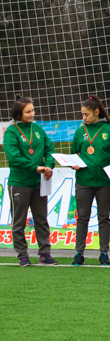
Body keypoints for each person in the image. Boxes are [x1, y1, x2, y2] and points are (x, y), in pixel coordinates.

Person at [3, 96, 57, 266]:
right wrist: (35, 167)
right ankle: (22, 255)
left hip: (39, 182)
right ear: (18, 113)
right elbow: (14, 157)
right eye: (28, 112)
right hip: (19, 182)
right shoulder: (11, 132)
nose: (32, 114)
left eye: (33, 110)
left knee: (41, 219)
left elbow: (50, 149)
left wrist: (48, 166)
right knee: (19, 221)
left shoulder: (38, 129)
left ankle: (45, 254)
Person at [71, 96, 110, 266]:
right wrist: (73, 164)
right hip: (84, 180)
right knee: (82, 217)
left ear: (96, 112)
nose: (84, 118)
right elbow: (74, 153)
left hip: (104, 181)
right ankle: (79, 253)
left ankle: (104, 252)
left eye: (86, 114)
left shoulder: (109, 130)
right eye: (82, 114)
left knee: (104, 218)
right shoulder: (80, 131)